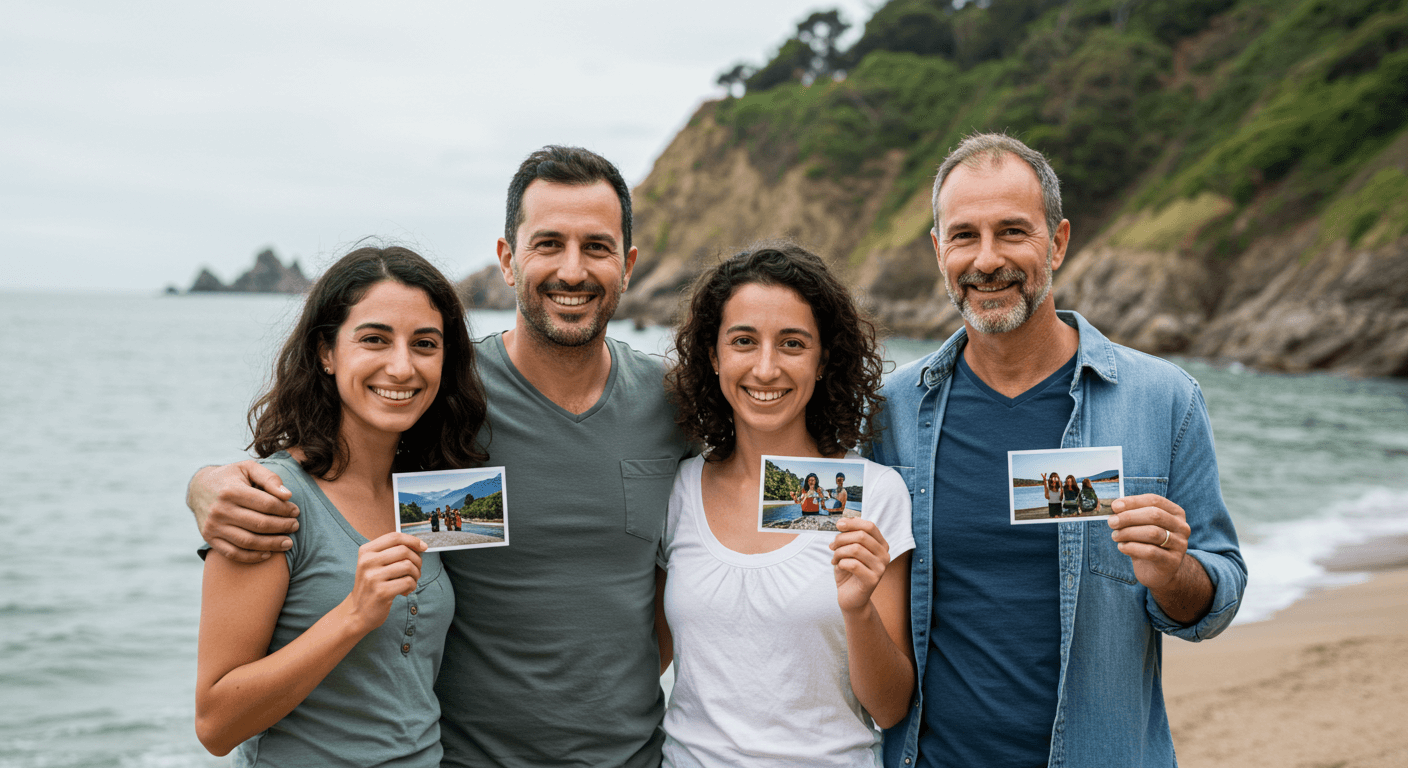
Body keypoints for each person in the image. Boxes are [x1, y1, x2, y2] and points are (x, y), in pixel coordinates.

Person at [185, 145, 691, 767]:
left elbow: (737, 516)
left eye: (596, 246)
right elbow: (326, 467)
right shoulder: (449, 396)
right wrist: (205, 485)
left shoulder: (675, 406)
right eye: (547, 243)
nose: (572, 270)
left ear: (629, 263)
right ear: (507, 259)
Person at [868, 133, 1245, 767]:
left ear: (1059, 242)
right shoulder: (891, 413)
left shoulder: (1164, 400)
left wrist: (1172, 572)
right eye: (964, 236)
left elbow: (1219, 593)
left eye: (1013, 231)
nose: (987, 260)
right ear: (939, 251)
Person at [194, 245, 488, 765]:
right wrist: (353, 615)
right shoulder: (270, 502)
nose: (402, 367)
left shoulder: (427, 494)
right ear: (326, 352)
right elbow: (216, 725)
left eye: (425, 343)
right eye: (374, 339)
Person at [659, 243, 915, 766]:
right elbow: (644, 661)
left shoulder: (874, 493)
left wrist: (857, 607)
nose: (767, 368)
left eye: (793, 344)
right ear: (713, 356)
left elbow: (889, 709)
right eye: (744, 342)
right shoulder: (677, 490)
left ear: (823, 361)